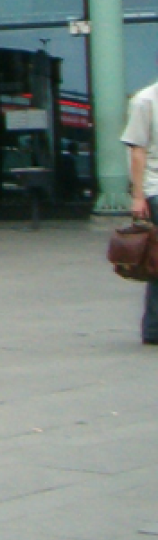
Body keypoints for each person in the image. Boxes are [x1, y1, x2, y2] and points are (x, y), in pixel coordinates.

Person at [118, 71, 157, 346]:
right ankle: (154, 328)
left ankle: (154, 329)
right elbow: (137, 149)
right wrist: (138, 195)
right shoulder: (146, 100)